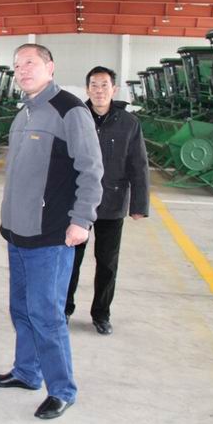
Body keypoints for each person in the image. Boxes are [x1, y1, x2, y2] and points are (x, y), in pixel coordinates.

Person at [0, 44, 103, 420]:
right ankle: (26, 372)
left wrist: (82, 220)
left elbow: (91, 169)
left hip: (51, 235)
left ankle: (62, 390)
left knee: (46, 315)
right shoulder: (24, 112)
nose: (22, 70)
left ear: (50, 67)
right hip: (17, 233)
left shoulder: (70, 110)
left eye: (30, 63)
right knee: (21, 309)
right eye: (17, 65)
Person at [65, 66, 149, 335]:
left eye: (104, 85)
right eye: (94, 85)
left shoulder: (129, 123)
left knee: (107, 264)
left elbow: (139, 165)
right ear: (87, 89)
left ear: (114, 89)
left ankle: (101, 314)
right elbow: (61, 160)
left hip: (112, 203)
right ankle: (64, 309)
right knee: (70, 261)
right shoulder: (76, 118)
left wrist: (139, 205)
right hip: (78, 204)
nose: (99, 90)